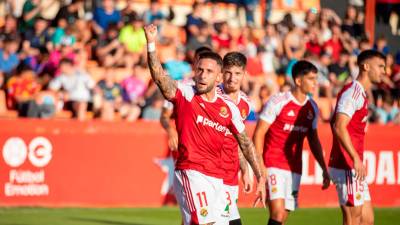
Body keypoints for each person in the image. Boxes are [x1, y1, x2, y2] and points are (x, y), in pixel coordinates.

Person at [144, 24, 266, 225]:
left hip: (219, 178)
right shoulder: (185, 92)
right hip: (192, 172)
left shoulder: (229, 107)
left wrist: (258, 176)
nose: (202, 75)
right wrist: (151, 44)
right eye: (199, 70)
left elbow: (245, 143)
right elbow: (159, 78)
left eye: (209, 71)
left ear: (218, 77)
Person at [253, 60, 330, 225]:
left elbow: (314, 140)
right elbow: (259, 133)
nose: (315, 83)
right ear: (298, 81)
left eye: (316, 79)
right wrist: (260, 166)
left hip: (294, 167)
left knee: (282, 218)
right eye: (311, 79)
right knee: (278, 214)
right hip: (272, 163)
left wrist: (323, 167)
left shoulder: (312, 108)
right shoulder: (278, 101)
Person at [329, 50, 386, 225]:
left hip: (353, 165)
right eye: (380, 66)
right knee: (353, 219)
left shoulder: (361, 93)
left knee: (367, 220)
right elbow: (339, 126)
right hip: (346, 164)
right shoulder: (352, 92)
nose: (384, 71)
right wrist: (355, 157)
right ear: (365, 66)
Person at [218, 52, 253, 225]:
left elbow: (239, 140)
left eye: (237, 73)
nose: (232, 78)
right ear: (222, 72)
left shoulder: (246, 103)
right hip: (210, 170)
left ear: (244, 74)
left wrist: (245, 169)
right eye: (228, 72)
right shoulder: (211, 95)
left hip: (231, 171)